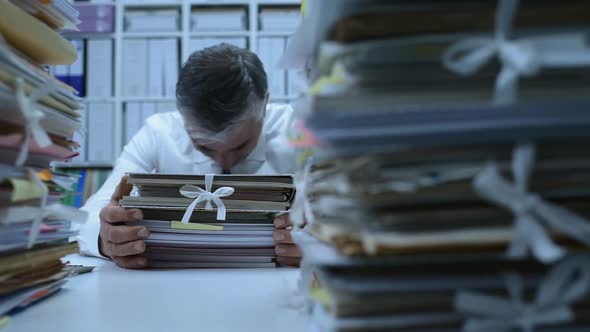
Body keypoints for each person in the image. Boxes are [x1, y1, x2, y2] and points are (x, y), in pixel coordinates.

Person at [77, 44, 302, 269]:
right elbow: (87, 217)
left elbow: (335, 219)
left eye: (240, 146)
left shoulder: (302, 132)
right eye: (203, 146)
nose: (223, 162)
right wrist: (105, 238)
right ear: (181, 115)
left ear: (264, 105)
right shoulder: (158, 133)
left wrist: (324, 241)